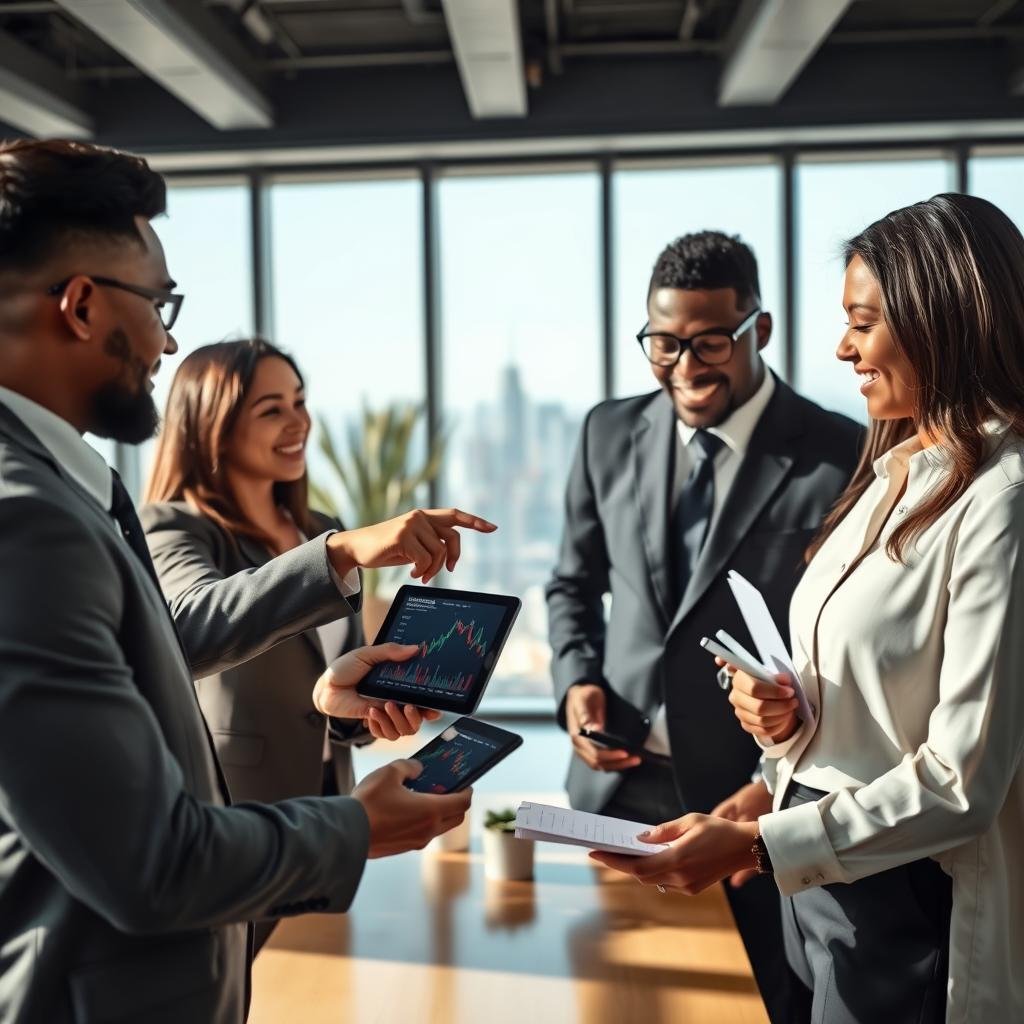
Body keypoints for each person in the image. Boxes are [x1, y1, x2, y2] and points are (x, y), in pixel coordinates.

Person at [0, 138, 495, 1023]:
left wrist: (335, 695)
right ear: (80, 306)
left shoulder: (75, 490)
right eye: (159, 303)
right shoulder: (27, 517)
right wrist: (359, 826)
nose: (166, 337)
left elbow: (153, 658)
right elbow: (149, 863)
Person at [590, 193, 1024, 1024]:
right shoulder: (895, 472)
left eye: (863, 322)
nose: (843, 347)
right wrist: (778, 739)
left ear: (946, 319)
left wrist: (760, 842)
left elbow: (962, 779)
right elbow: (871, 703)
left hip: (910, 915)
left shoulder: (1003, 500)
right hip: (831, 899)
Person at [546, 230, 862, 1022]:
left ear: (761, 329)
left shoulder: (839, 453)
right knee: (614, 1005)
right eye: (664, 343)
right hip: (611, 791)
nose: (685, 367)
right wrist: (576, 684)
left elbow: (843, 654)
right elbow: (571, 586)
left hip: (747, 807)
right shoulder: (607, 432)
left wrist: (768, 792)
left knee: (759, 1004)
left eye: (710, 342)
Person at [142, 337, 440, 953]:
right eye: (271, 408)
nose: (298, 421)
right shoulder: (175, 526)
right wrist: (341, 552)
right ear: (212, 427)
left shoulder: (313, 527)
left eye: (300, 402)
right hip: (234, 834)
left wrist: (363, 711)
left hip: (331, 832)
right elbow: (190, 619)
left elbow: (328, 689)